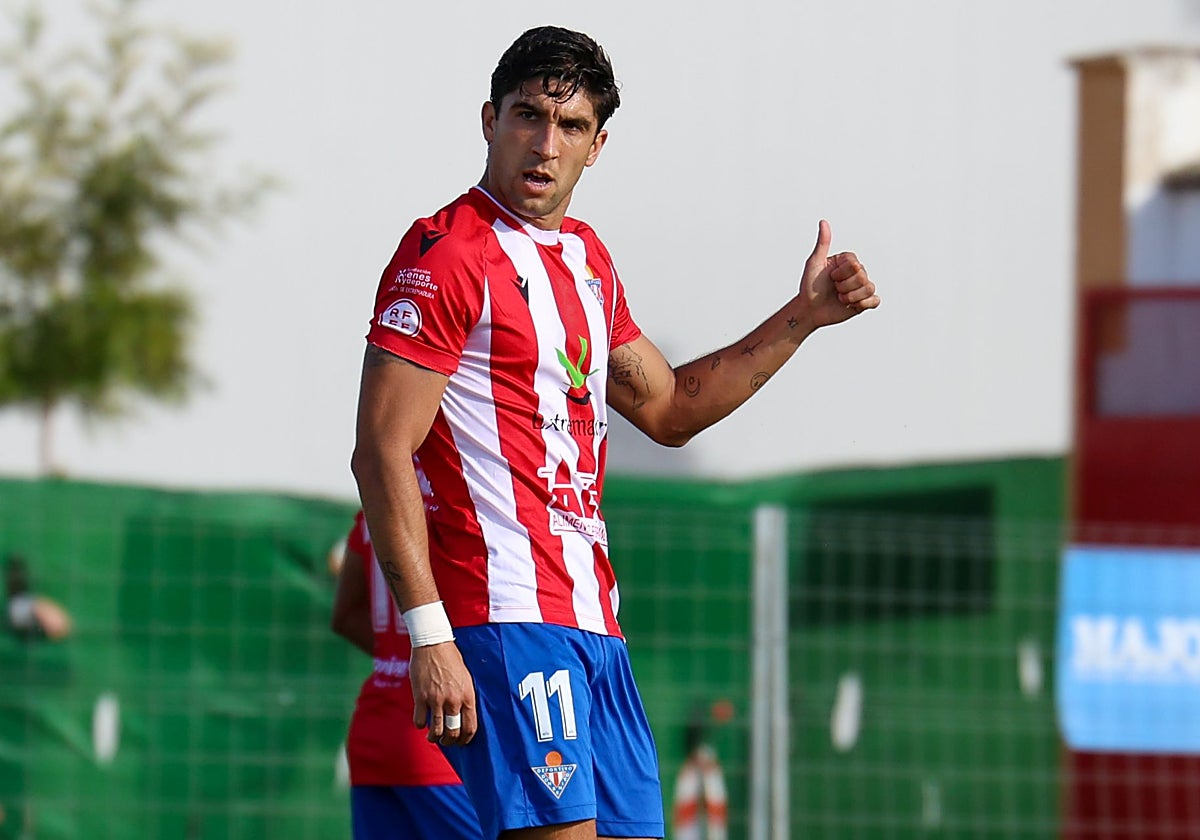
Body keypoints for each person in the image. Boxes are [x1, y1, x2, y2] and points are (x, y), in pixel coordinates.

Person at [351, 25, 880, 840]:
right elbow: (381, 447)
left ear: (597, 146)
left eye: (569, 128)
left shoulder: (587, 260)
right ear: (488, 120)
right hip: (508, 617)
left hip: (595, 622)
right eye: (527, 115)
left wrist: (803, 317)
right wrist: (430, 632)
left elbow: (670, 410)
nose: (544, 143)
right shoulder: (448, 255)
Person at [331, 510, 483, 840]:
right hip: (444, 733)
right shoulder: (459, 495)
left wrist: (409, 661)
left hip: (375, 730)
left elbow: (345, 616)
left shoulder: (375, 503)